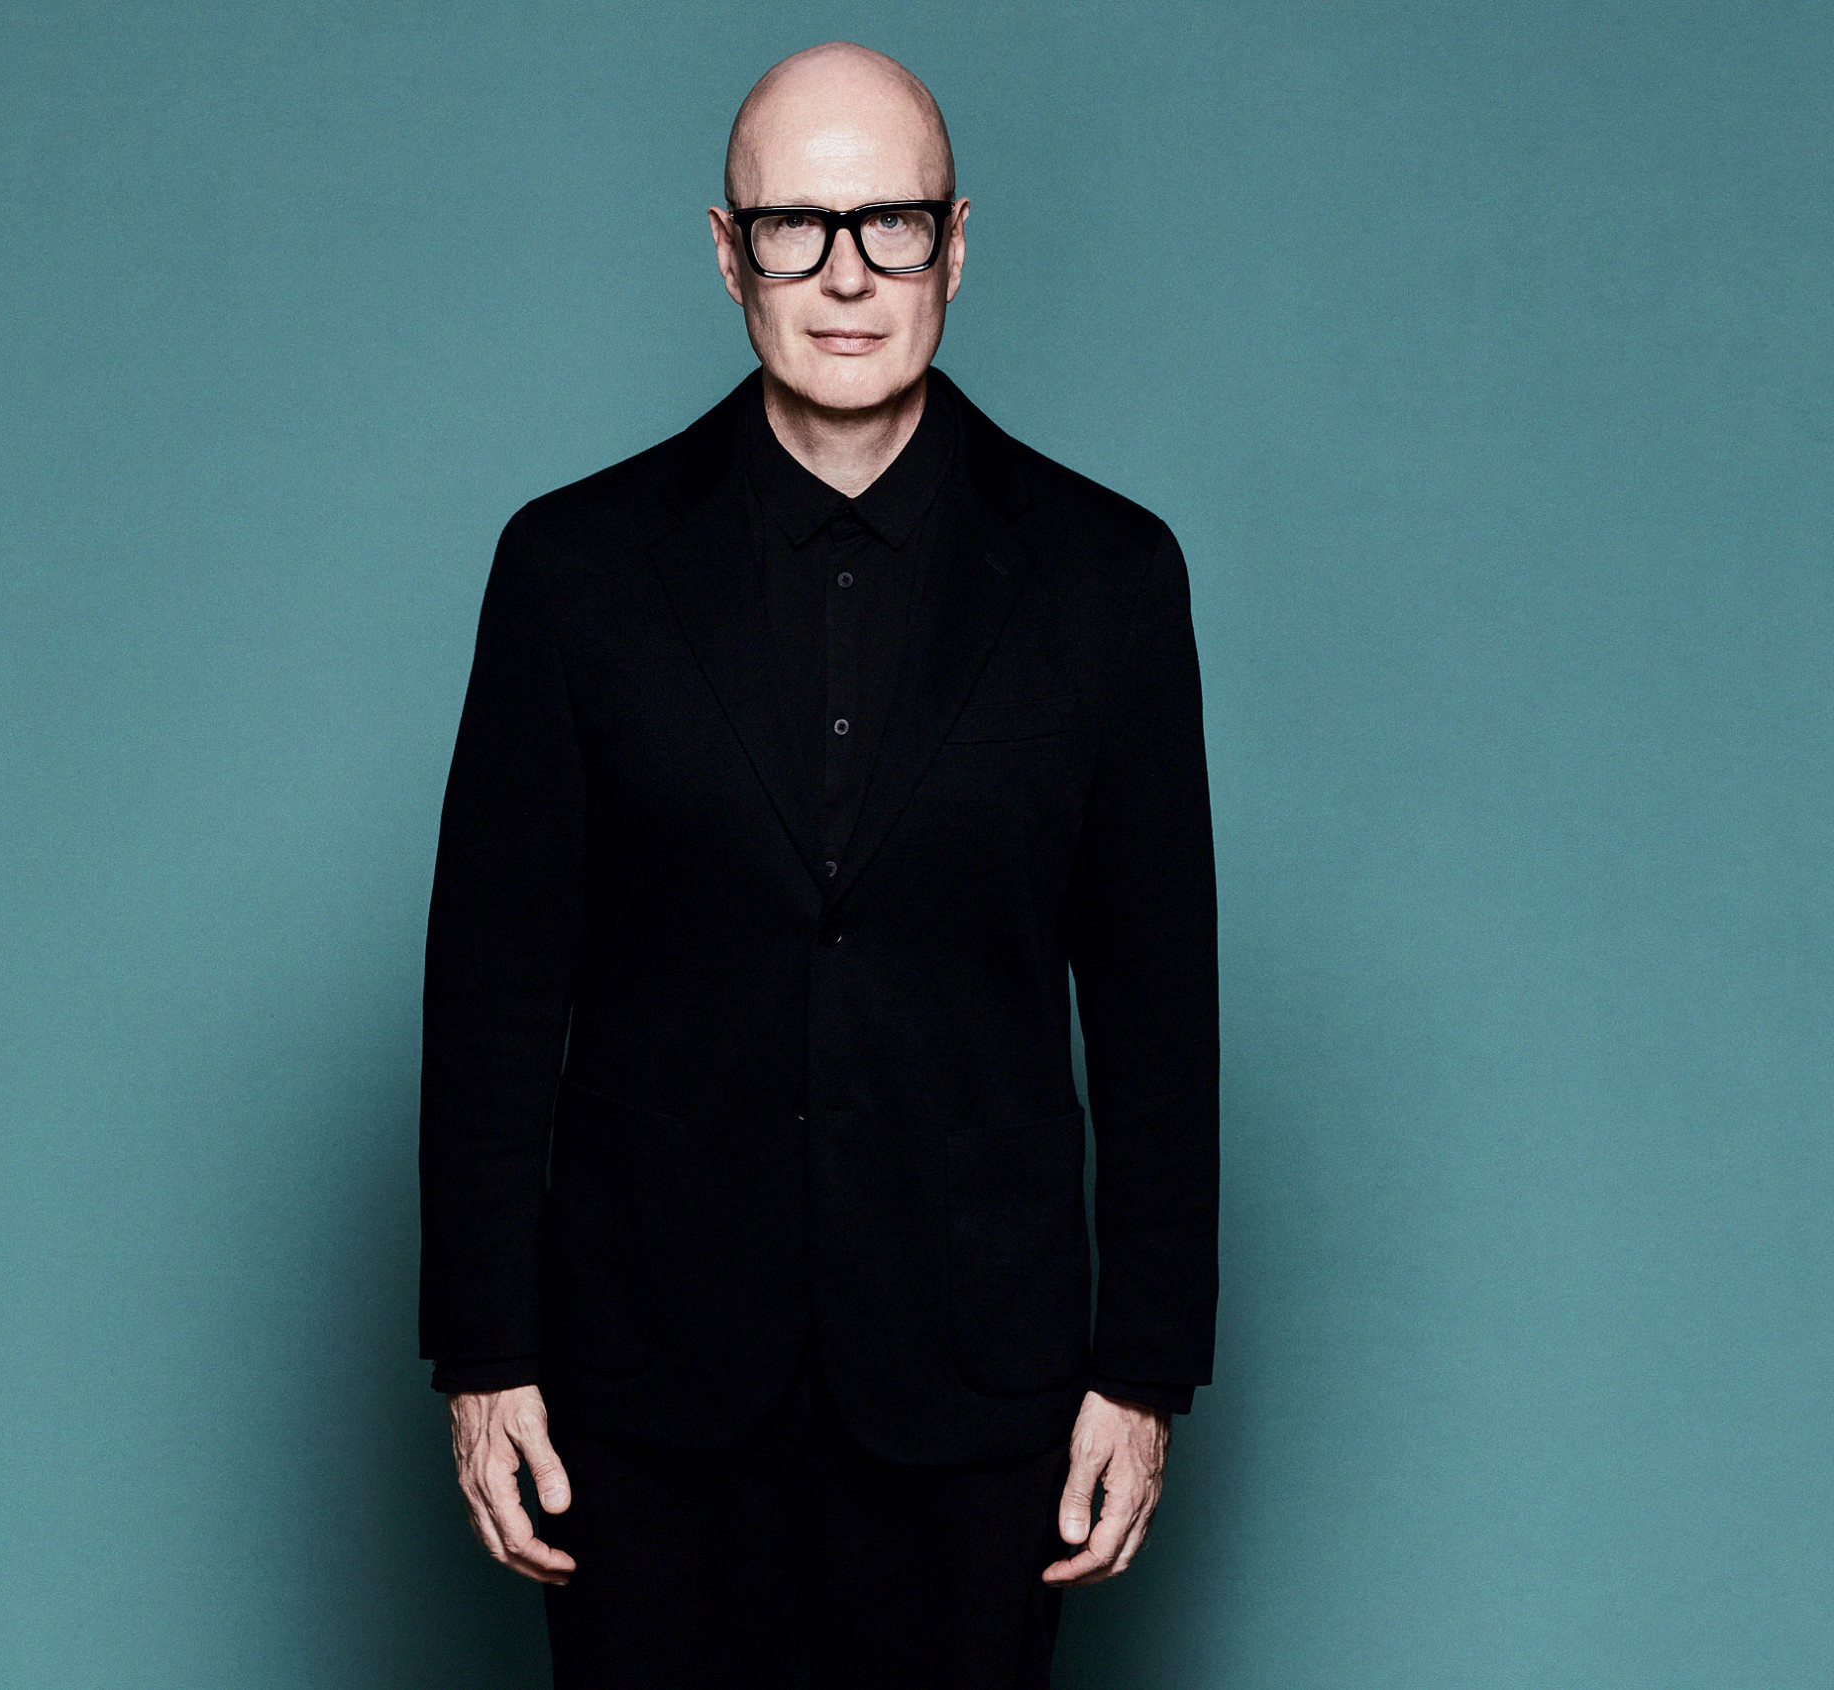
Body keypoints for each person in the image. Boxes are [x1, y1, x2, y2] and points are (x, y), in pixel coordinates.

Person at [419, 40, 1218, 1689]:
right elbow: (494, 994)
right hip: (642, 1384)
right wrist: (483, 1355)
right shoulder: (571, 569)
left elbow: (1159, 1016)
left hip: (979, 1389)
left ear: (957, 244)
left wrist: (1144, 1373)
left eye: (892, 224)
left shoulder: (1110, 578)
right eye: (797, 227)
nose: (847, 274)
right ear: (729, 254)